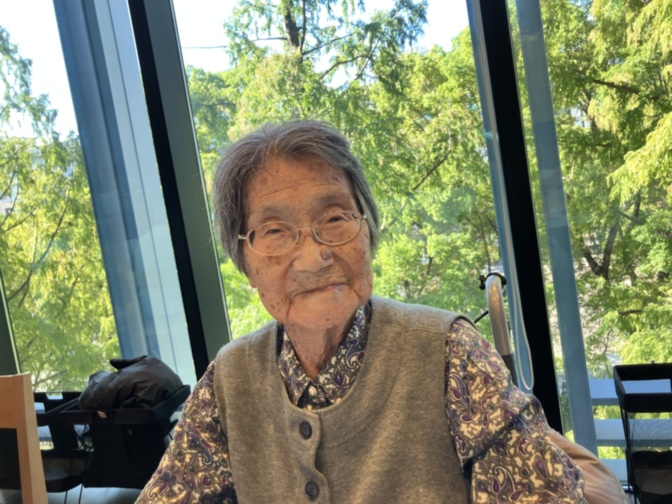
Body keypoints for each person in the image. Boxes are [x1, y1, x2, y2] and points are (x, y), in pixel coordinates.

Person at [136, 120, 587, 503]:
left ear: (366, 231)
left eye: (335, 218)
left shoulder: (449, 352)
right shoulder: (229, 381)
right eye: (274, 231)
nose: (313, 258)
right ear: (246, 263)